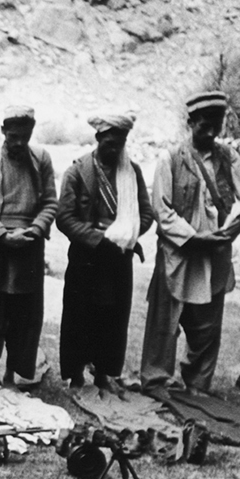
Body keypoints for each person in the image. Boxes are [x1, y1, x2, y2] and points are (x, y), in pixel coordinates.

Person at [138, 91, 240, 398]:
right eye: (205, 122)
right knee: (166, 320)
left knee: (207, 325)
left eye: (217, 123)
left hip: (215, 252)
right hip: (180, 253)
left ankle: (198, 382)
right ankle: (156, 380)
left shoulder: (228, 157)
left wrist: (226, 234)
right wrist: (193, 237)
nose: (212, 129)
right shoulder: (170, 159)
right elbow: (162, 209)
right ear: (191, 122)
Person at [57, 112, 155, 393]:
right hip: (86, 258)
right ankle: (76, 374)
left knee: (112, 318)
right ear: (98, 139)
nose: (115, 149)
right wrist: (99, 238)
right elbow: (65, 217)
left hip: (118, 259)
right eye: (109, 143)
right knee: (79, 315)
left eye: (120, 143)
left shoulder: (131, 172)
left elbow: (145, 213)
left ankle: (104, 374)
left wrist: (127, 233)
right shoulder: (77, 172)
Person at [0, 106, 58, 392]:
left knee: (24, 317)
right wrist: (2, 235)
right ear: (3, 131)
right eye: (14, 135)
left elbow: (50, 203)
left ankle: (12, 375)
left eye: (25, 135)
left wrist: (33, 230)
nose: (19, 142)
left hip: (29, 247)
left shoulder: (41, 158)